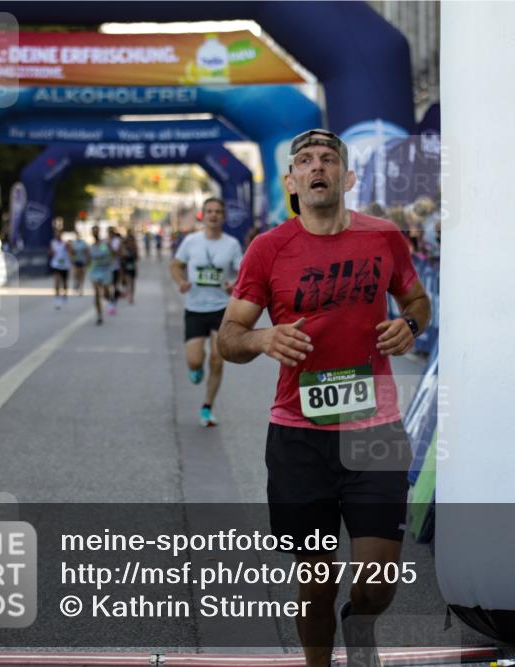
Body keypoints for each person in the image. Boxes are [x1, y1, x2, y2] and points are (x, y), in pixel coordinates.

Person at [218, 129, 431, 667]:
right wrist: (263, 338)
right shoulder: (268, 249)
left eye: (329, 159)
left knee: (377, 585)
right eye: (306, 161)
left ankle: (360, 625)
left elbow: (418, 300)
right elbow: (229, 337)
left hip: (374, 431)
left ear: (347, 177)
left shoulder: (384, 237)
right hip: (300, 438)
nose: (318, 167)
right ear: (291, 181)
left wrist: (409, 325)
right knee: (315, 586)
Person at [171, 198, 242, 426]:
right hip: (195, 308)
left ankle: (207, 407)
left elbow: (243, 272)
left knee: (217, 360)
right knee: (194, 361)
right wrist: (181, 282)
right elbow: (176, 265)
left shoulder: (232, 244)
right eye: (209, 211)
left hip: (221, 309)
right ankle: (196, 368)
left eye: (218, 212)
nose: (213, 215)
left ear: (223, 216)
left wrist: (234, 285)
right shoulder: (191, 241)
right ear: (203, 215)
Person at [88, 225, 116, 325]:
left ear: (99, 232)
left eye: (96, 231)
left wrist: (111, 260)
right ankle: (99, 315)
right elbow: (89, 259)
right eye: (93, 231)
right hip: (95, 270)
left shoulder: (105, 244)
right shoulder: (91, 246)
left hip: (105, 270)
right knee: (96, 293)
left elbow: (113, 253)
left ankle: (110, 300)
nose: (95, 233)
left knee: (105, 291)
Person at [48, 228, 72, 309]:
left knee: (64, 282)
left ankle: (65, 294)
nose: (57, 235)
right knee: (57, 282)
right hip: (56, 265)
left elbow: (71, 252)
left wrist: (68, 248)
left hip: (65, 265)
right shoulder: (53, 242)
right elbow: (50, 252)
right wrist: (51, 252)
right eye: (56, 233)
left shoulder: (65, 243)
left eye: (59, 233)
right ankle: (57, 298)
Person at [122, 233, 139, 305]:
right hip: (126, 267)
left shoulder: (134, 248)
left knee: (132, 283)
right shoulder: (124, 248)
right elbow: (122, 258)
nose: (130, 242)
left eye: (131, 240)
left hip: (132, 267)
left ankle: (131, 296)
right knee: (128, 282)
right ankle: (129, 296)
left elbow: (137, 258)